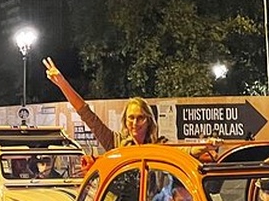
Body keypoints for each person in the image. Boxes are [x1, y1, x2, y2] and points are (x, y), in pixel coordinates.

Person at [43, 57, 219, 158]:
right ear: (125, 121)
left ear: (148, 121)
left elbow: (184, 152)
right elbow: (86, 114)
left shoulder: (159, 145)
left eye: (140, 118)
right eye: (131, 118)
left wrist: (206, 145)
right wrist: (62, 83)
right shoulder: (115, 143)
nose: (135, 123)